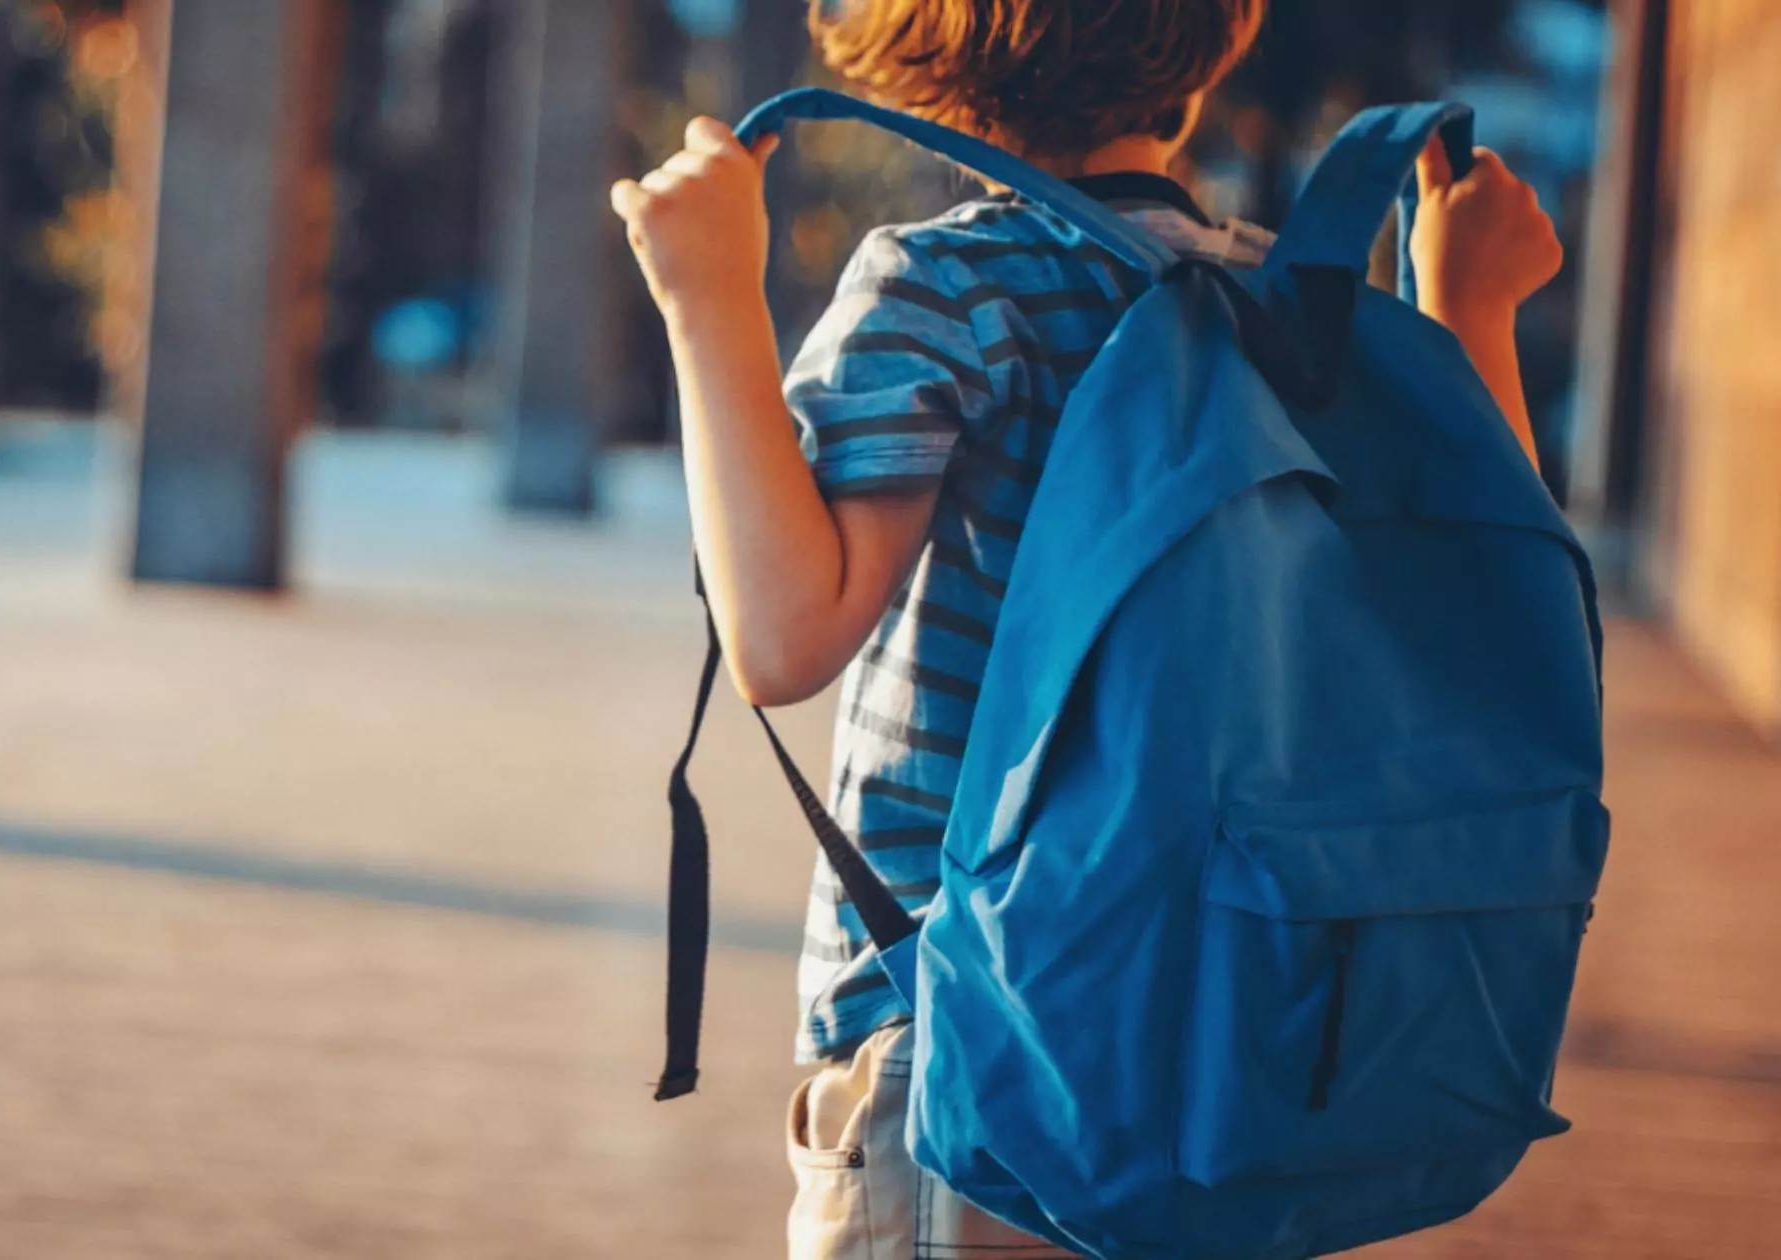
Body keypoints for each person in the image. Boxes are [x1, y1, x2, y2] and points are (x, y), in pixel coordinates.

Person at [608, 1, 1566, 1255]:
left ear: (920, 52)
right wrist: (1469, 313)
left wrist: (706, 293)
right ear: (1217, 41)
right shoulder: (1282, 307)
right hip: (1235, 1035)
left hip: (971, 1048)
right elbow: (1473, 619)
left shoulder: (944, 285)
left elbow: (784, 639)